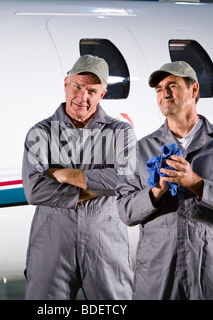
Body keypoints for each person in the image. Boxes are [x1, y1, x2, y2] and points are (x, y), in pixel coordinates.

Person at [116, 61, 213, 300]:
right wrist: (156, 191)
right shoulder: (141, 149)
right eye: (159, 89)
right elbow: (125, 211)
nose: (164, 94)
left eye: (172, 86)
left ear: (194, 90)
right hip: (159, 275)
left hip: (212, 272)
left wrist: (196, 183)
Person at [22, 54, 134, 300]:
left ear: (102, 94)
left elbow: (125, 180)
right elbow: (34, 191)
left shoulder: (120, 132)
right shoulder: (40, 133)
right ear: (66, 84)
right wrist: (98, 185)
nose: (82, 97)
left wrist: (64, 174)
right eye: (77, 86)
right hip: (52, 245)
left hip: (106, 244)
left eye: (92, 91)